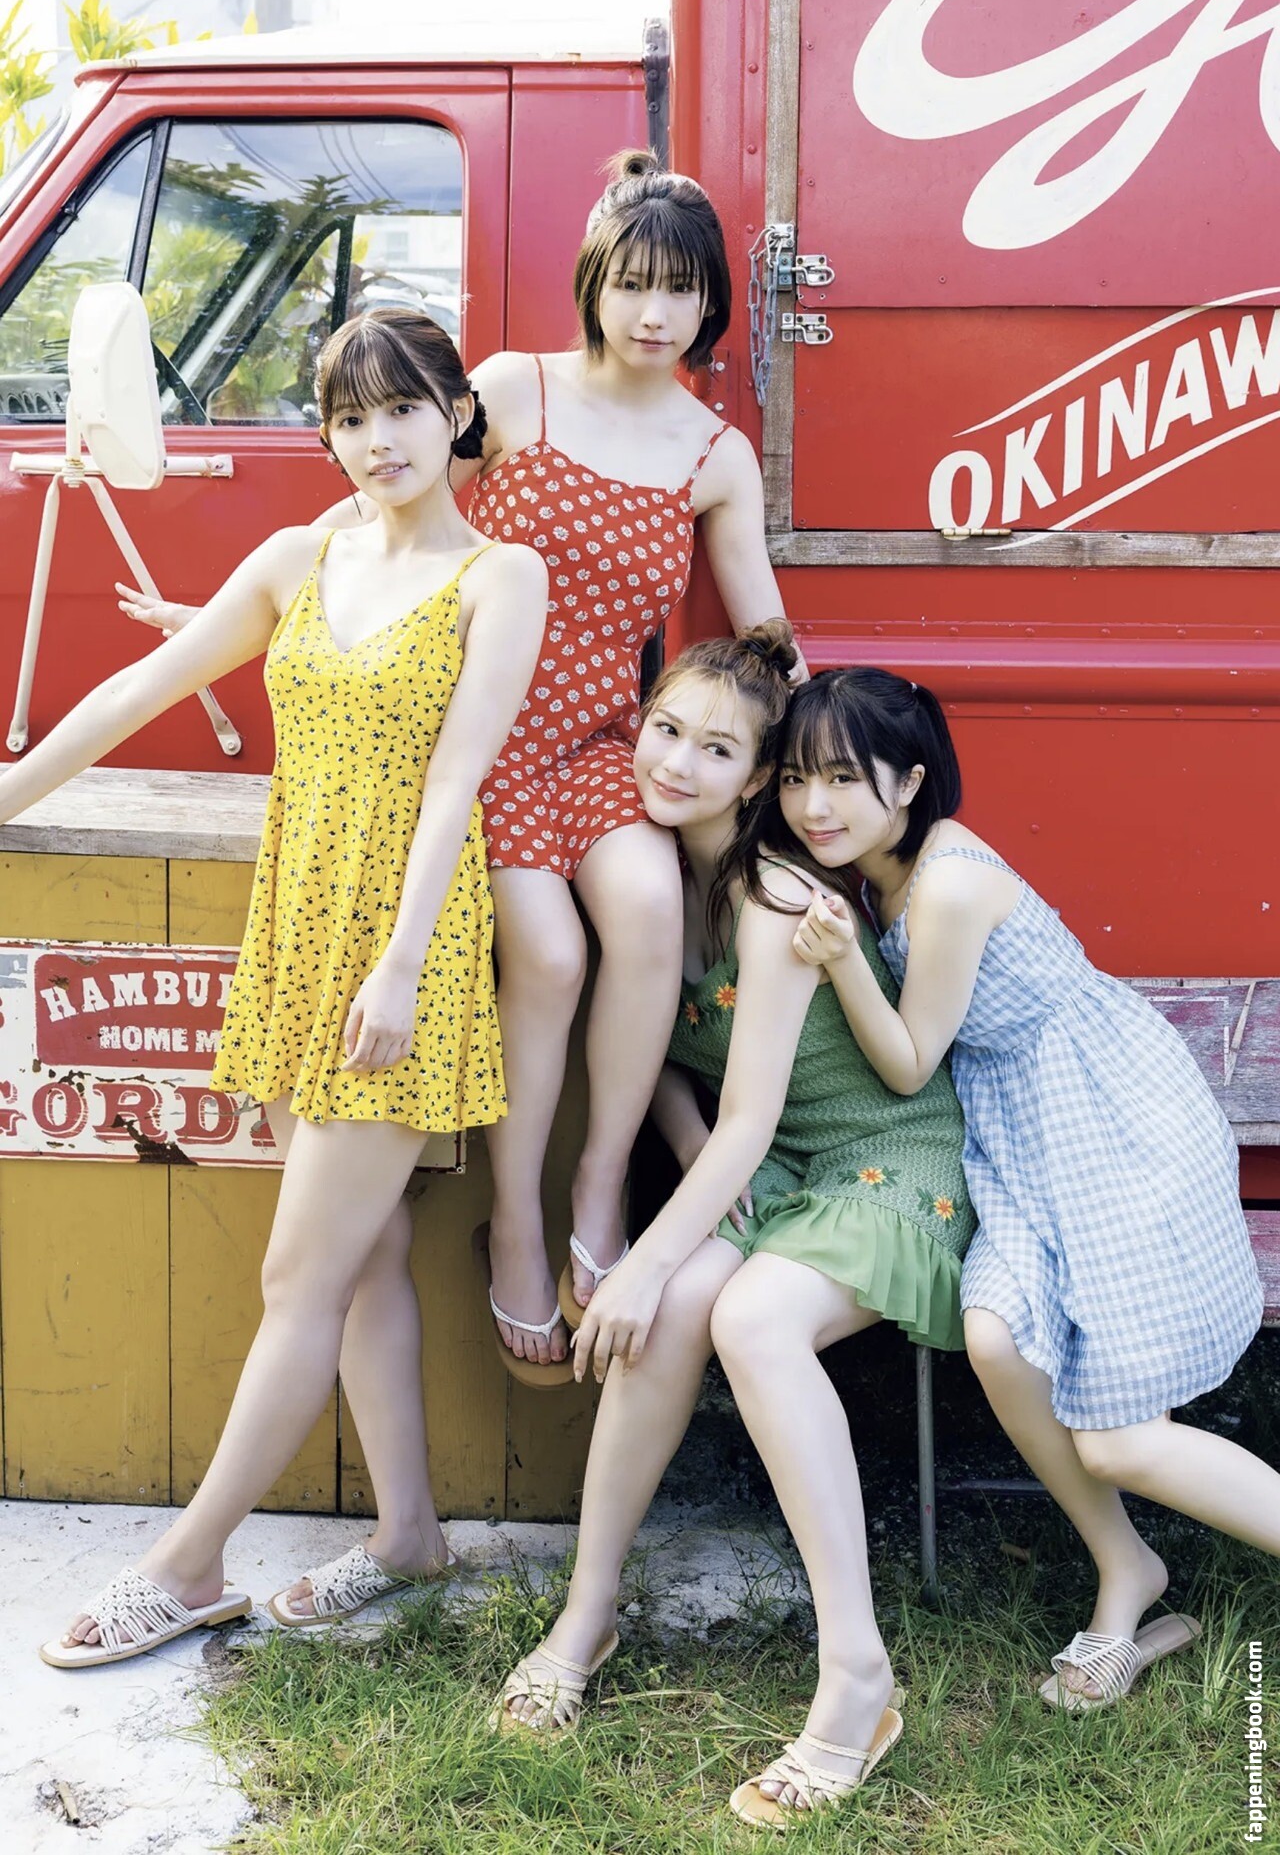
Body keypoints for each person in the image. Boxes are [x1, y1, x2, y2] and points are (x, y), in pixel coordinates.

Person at [121, 152, 802, 1385]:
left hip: (599, 741)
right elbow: (379, 509)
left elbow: (760, 624)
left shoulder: (715, 454)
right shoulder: (513, 388)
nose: (652, 313)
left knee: (650, 908)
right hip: (471, 733)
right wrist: (235, 613)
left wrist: (832, 745)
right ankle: (516, 1226)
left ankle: (598, 1188)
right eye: (631, 284)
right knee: (549, 954)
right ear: (593, 284)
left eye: (679, 290)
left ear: (711, 302)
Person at [5, 307, 547, 1664]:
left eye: (404, 408)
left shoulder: (499, 578)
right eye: (350, 417)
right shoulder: (300, 556)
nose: (378, 439)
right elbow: (140, 688)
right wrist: (8, 793)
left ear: (457, 415)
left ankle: (188, 1563)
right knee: (360, 1259)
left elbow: (455, 784)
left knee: (296, 1272)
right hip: (300, 933)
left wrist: (403, 965)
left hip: (400, 944)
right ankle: (408, 1534)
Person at [490, 626, 974, 1825]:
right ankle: (585, 1617)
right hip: (773, 1173)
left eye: (717, 751)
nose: (676, 765)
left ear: (757, 777)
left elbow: (751, 1114)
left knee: (742, 1318)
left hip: (884, 1165)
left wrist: (644, 1258)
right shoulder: (650, 879)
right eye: (664, 732)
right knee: (667, 1320)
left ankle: (856, 1677)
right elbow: (658, 1051)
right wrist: (684, 1160)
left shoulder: (776, 901)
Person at [773, 665, 1277, 1710]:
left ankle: (1133, 1571)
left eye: (841, 778)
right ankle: (1126, 1565)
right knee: (997, 1339)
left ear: (910, 781)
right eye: (793, 778)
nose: (813, 804)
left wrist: (841, 962)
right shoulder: (874, 869)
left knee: (1116, 1435)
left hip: (1112, 1129)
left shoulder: (946, 884)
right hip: (1020, 1141)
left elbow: (909, 1062)